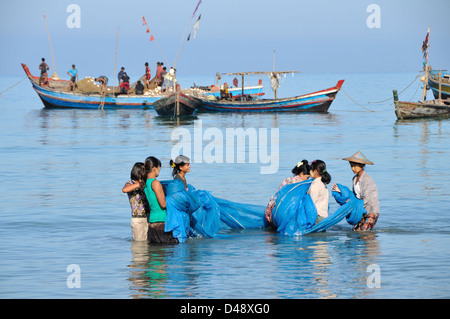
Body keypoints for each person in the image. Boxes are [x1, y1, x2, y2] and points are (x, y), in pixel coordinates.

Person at [332, 151, 380, 231]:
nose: (352, 169)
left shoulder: (367, 179)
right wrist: (341, 192)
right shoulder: (354, 179)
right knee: (356, 231)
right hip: (360, 210)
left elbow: (366, 199)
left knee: (363, 232)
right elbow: (354, 195)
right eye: (351, 166)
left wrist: (353, 204)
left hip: (371, 210)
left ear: (361, 165)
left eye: (354, 166)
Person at [144, 156, 178, 244]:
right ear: (154, 168)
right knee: (165, 252)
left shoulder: (144, 184)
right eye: (159, 168)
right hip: (161, 222)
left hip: (152, 222)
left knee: (155, 254)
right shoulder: (155, 183)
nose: (159, 170)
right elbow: (163, 204)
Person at [265, 160, 310, 225]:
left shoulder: (288, 179)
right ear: (302, 173)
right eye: (307, 177)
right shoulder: (300, 183)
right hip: (280, 215)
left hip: (270, 211)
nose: (307, 180)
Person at [122, 162, 150, 241]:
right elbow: (124, 190)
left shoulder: (146, 183)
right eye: (144, 171)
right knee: (140, 247)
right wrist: (139, 185)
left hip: (148, 217)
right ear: (138, 172)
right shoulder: (130, 183)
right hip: (138, 219)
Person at [308, 160, 331, 224]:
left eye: (311, 170)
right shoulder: (323, 182)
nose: (309, 172)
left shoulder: (315, 184)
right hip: (324, 217)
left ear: (315, 171)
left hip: (317, 218)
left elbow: (311, 202)